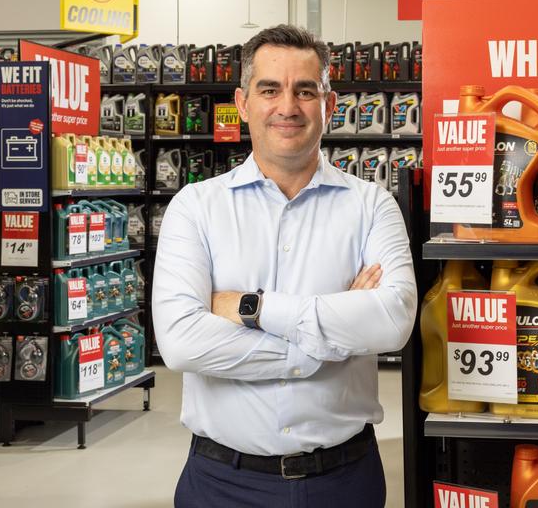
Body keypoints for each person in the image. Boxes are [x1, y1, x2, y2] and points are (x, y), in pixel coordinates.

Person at [153, 25, 418, 507]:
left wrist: (251, 307)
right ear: (243, 101)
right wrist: (330, 342)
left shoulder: (372, 206)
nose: (288, 106)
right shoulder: (195, 207)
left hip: (344, 481)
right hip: (221, 483)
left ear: (329, 104)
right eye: (269, 89)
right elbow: (181, 343)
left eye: (305, 90)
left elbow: (393, 321)